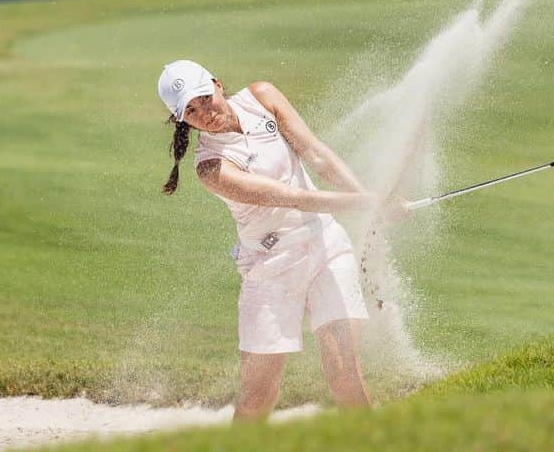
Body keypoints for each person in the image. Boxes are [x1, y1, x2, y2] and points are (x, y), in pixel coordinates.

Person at [157, 59, 405, 421]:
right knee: (259, 396)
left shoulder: (262, 96)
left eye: (204, 98)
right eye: (190, 112)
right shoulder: (211, 168)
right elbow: (291, 197)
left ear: (217, 84)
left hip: (326, 248)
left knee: (344, 374)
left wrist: (370, 202)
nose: (203, 113)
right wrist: (372, 201)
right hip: (270, 268)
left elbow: (317, 155)